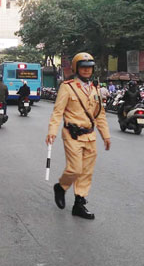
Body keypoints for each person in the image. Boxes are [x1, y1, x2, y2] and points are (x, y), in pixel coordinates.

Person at [46, 53, 111, 220]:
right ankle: (61, 187)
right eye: (83, 67)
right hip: (72, 134)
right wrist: (52, 132)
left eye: (89, 67)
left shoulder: (96, 89)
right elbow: (58, 112)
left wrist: (106, 135)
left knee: (86, 172)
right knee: (75, 168)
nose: (87, 70)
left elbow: (100, 114)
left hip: (90, 136)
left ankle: (79, 204)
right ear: (76, 68)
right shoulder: (67, 87)